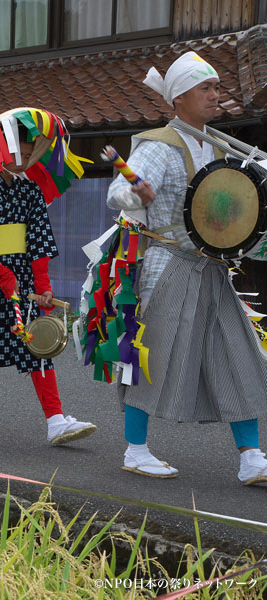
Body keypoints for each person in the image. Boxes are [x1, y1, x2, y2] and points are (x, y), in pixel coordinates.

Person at [106, 51, 267, 483]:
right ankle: (136, 449)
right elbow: (120, 189)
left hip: (212, 267)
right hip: (168, 264)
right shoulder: (161, 144)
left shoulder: (216, 144)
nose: (215, 95)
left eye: (216, 87)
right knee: (151, 355)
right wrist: (135, 195)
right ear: (179, 98)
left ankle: (251, 456)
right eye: (205, 88)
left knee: (237, 353)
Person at [0, 109, 97, 446]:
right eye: (20, 154)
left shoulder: (29, 191)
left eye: (30, 155)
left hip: (24, 278)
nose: (25, 160)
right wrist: (0, 273)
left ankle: (56, 420)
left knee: (38, 346)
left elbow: (39, 239)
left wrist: (42, 285)